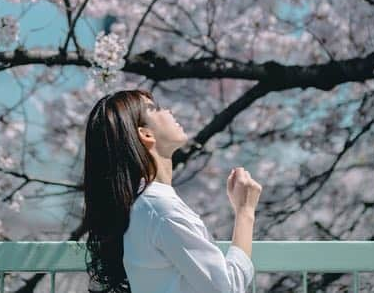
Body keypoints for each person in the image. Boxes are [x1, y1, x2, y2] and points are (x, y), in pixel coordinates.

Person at [81, 88, 262, 293]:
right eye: (155, 108)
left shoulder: (143, 206)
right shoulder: (162, 210)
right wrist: (245, 211)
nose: (168, 111)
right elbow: (229, 288)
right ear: (145, 133)